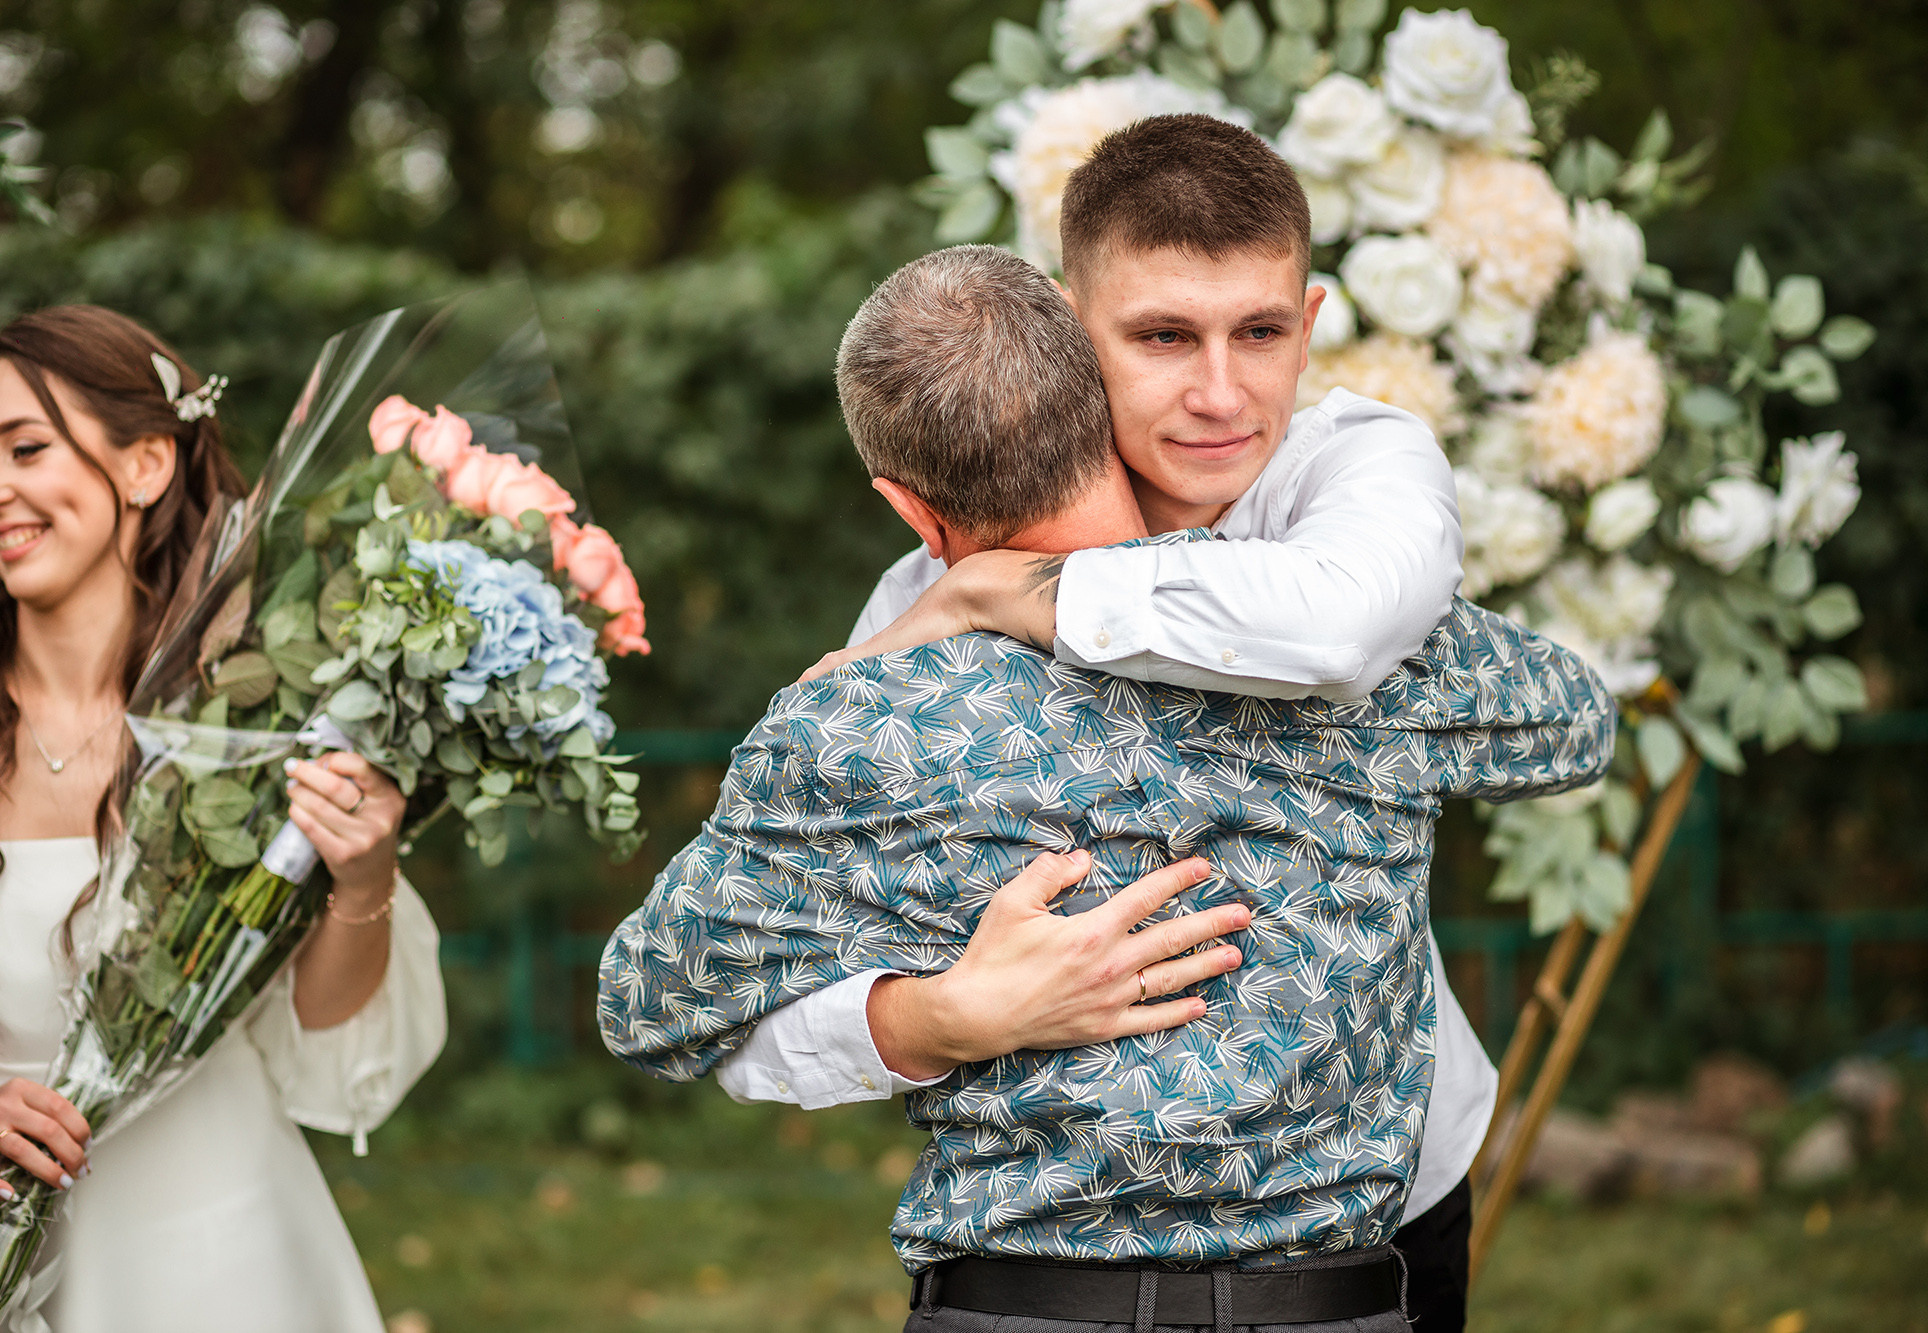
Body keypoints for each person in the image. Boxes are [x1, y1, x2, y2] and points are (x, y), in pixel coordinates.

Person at [599, 243, 1615, 1332]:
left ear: (905, 505)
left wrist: (935, 1023)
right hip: (1333, 1302)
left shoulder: (852, 721)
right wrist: (941, 1015)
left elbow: (648, 1004)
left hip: (1016, 1303)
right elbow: (1569, 722)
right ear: (1102, 397)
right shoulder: (1356, 646)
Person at [721, 115, 1483, 1328]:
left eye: (1261, 332)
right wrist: (938, 1015)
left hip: (1374, 1213)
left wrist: (1010, 593)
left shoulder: (1355, 467)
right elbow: (742, 1002)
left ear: (1312, 321)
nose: (1221, 392)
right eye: (1164, 336)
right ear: (1073, 336)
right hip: (1055, 1259)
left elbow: (1339, 626)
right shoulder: (922, 596)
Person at [0, 306, 446, 1332]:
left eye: (26, 449)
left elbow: (319, 1041)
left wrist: (365, 874)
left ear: (147, 465)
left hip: (224, 1249)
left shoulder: (256, 711)